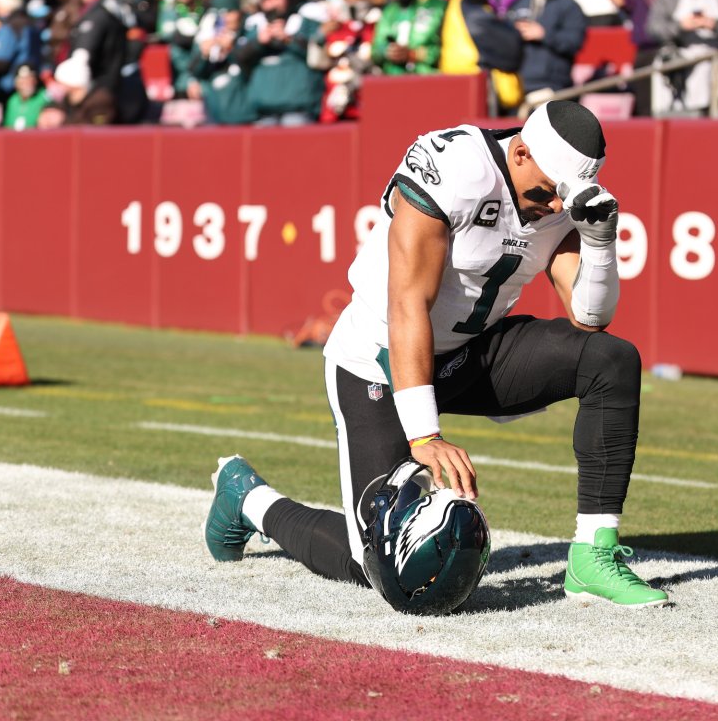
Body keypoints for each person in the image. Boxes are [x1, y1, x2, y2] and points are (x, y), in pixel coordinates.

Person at [206, 100, 670, 610]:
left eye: (563, 197)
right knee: (383, 566)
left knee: (610, 359)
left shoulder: (558, 196)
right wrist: (424, 435)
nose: (555, 208)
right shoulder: (458, 167)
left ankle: (594, 558)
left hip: (472, 353)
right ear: (519, 153)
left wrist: (600, 240)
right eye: (546, 193)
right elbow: (408, 304)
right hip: (380, 359)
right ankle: (249, 500)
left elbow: (589, 319)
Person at [440, 0, 523, 113]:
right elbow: (509, 51)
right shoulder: (474, 13)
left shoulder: (455, 8)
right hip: (480, 92)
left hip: (456, 88)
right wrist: (515, 32)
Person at [509, 0, 589, 98]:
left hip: (552, 83)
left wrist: (544, 35)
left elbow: (574, 42)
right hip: (519, 84)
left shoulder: (568, 6)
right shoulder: (520, 4)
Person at [2, 64, 49, 130]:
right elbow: (7, 127)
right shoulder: (12, 100)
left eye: (30, 78)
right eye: (23, 79)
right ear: (16, 82)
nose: (27, 82)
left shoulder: (45, 97)